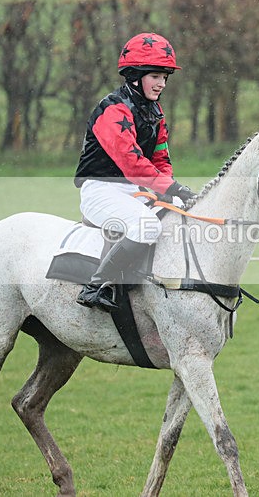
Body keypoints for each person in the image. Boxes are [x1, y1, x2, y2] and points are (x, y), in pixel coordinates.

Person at [74, 32, 195, 312]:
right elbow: (132, 163)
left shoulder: (155, 112)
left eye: (165, 77)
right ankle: (95, 286)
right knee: (148, 226)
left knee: (178, 212)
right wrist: (171, 187)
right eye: (155, 76)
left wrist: (171, 190)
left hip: (134, 190)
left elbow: (160, 159)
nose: (162, 83)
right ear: (135, 76)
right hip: (100, 189)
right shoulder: (113, 109)